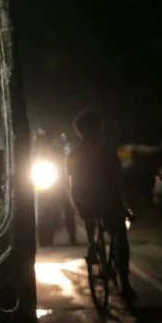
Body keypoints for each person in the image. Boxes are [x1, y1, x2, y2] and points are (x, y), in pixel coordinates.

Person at [66, 110, 135, 303]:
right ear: (99, 129)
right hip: (109, 201)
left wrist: (78, 205)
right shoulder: (107, 152)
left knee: (91, 222)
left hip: (87, 201)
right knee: (120, 239)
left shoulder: (74, 154)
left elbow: (72, 184)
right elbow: (117, 180)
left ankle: (93, 246)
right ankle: (125, 283)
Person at [34, 129, 78, 246]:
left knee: (67, 207)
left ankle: (72, 235)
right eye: (40, 140)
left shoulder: (58, 152)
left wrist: (64, 176)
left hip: (58, 183)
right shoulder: (35, 154)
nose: (42, 142)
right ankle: (42, 235)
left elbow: (67, 165)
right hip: (42, 184)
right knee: (40, 208)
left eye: (44, 139)